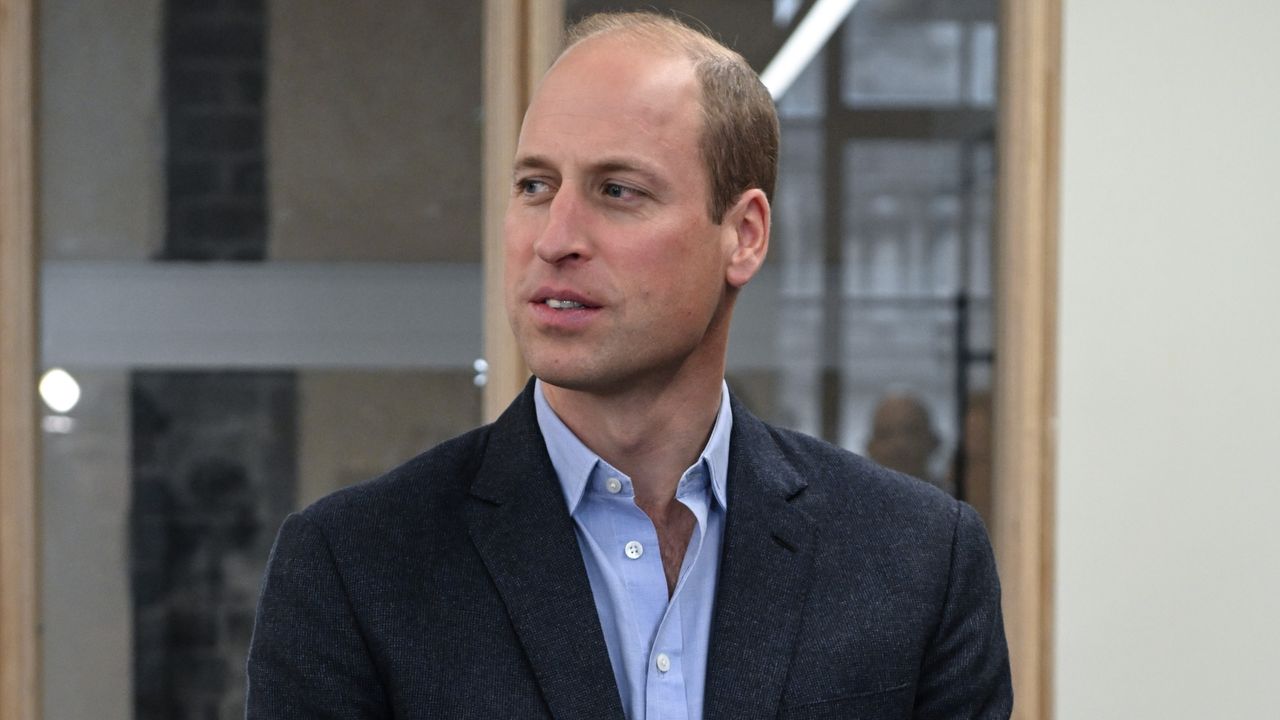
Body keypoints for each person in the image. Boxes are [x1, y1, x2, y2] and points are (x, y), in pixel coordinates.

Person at [246, 11, 1011, 719]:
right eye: (535, 187)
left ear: (743, 235)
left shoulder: (917, 562)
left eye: (617, 190)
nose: (556, 238)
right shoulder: (355, 568)